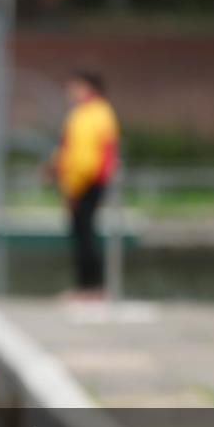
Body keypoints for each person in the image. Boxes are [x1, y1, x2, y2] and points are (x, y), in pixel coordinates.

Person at [51, 71, 120, 299]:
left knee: (84, 235)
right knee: (83, 234)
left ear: (90, 88)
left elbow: (84, 156)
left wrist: (73, 186)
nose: (71, 91)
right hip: (85, 181)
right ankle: (90, 287)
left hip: (86, 182)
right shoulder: (91, 113)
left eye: (76, 86)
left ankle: (91, 288)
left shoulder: (91, 115)